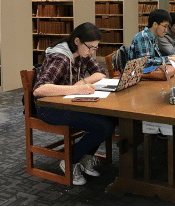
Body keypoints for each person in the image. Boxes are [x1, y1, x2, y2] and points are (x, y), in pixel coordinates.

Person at [33, 22, 114, 186]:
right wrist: (75, 89)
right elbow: (39, 90)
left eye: (95, 48)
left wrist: (82, 82)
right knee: (102, 126)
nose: (92, 52)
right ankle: (70, 161)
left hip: (70, 103)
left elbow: (101, 73)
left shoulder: (83, 53)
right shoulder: (60, 58)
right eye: (90, 47)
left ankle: (85, 157)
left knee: (112, 119)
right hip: (50, 108)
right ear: (77, 41)